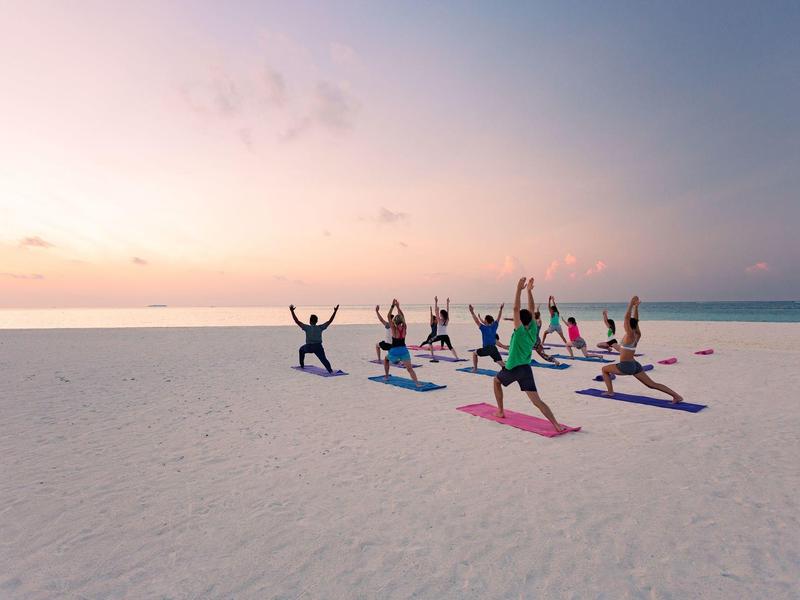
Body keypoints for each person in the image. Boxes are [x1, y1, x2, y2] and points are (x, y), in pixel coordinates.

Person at [493, 277, 566, 432]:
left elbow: (515, 309)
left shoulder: (520, 332)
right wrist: (529, 291)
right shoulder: (533, 330)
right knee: (537, 401)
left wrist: (518, 290)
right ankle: (556, 424)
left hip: (513, 368)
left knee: (496, 381)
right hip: (526, 369)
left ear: (520, 320)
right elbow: (531, 309)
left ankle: (500, 411)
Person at [600, 296, 683, 403]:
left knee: (604, 369)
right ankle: (676, 396)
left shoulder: (629, 335)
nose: (624, 324)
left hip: (626, 366)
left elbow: (627, 318)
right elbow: (636, 321)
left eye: (626, 324)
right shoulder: (637, 334)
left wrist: (631, 304)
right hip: (635, 365)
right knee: (652, 384)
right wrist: (636, 307)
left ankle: (610, 392)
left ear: (629, 325)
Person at [290, 304, 339, 373]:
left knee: (301, 350)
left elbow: (297, 321)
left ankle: (302, 365)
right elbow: (330, 321)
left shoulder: (307, 327)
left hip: (309, 347)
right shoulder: (320, 327)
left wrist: (292, 311)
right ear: (316, 321)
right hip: (318, 347)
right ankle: (330, 370)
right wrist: (335, 311)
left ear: (310, 321)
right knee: (324, 359)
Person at [383, 299, 421, 387]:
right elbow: (403, 316)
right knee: (410, 369)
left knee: (386, 359)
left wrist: (392, 306)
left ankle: (386, 376)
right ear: (402, 321)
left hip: (394, 351)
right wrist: (398, 307)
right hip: (404, 351)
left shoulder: (394, 329)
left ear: (394, 322)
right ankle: (417, 383)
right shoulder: (404, 328)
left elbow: (388, 316)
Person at [468, 303, 505, 372]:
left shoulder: (483, 328)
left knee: (474, 353)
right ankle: (506, 369)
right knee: (500, 362)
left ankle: (475, 369)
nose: (484, 321)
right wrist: (500, 309)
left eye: (485, 320)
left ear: (487, 321)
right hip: (494, 348)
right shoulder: (494, 326)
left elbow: (476, 320)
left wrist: (472, 312)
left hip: (487, 348)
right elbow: (498, 318)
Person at [426, 296, 459, 361]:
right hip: (446, 336)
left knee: (429, 342)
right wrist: (447, 303)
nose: (439, 315)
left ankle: (432, 356)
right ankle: (457, 357)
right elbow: (447, 311)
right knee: (450, 347)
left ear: (442, 315)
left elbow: (436, 311)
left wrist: (436, 302)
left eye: (440, 314)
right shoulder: (447, 320)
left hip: (440, 336)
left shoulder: (439, 320)